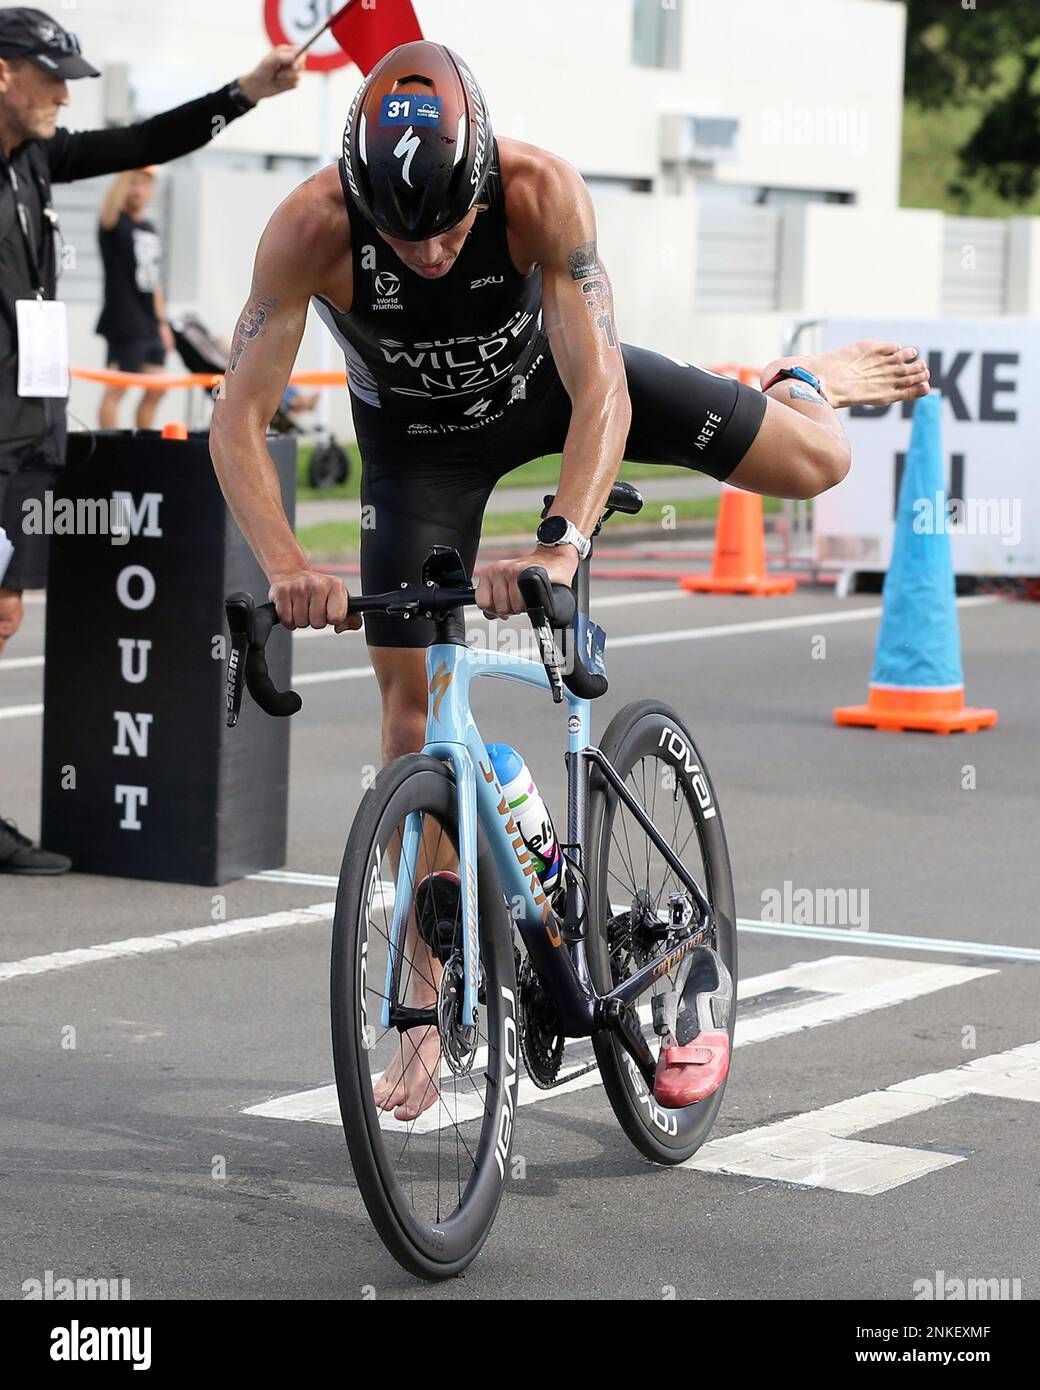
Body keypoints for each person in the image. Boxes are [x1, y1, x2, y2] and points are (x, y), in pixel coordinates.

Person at [210, 40, 931, 1114]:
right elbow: (236, 419)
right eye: (406, 238)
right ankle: (419, 1011)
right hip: (417, 449)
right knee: (411, 725)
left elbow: (601, 394)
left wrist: (559, 540)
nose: (433, 253)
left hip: (557, 392)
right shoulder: (309, 227)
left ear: (485, 169)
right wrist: (287, 566)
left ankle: (797, 379)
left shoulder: (539, 191)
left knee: (815, 463)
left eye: (452, 226)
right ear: (358, 197)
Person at [0, 5, 304, 874]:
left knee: (3, 616)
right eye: (51, 75)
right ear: (1, 73)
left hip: (31, 433)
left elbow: (147, 138)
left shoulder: (38, 159)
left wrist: (246, 92)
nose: (65, 93)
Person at [96, 165, 174, 430]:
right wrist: (128, 166)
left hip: (149, 322)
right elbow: (109, 207)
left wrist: (162, 323)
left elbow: (154, 280)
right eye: (133, 183)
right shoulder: (115, 223)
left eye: (144, 184)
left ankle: (144, 441)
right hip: (125, 320)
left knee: (158, 387)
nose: (138, 190)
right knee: (116, 390)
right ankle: (109, 447)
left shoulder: (149, 227)